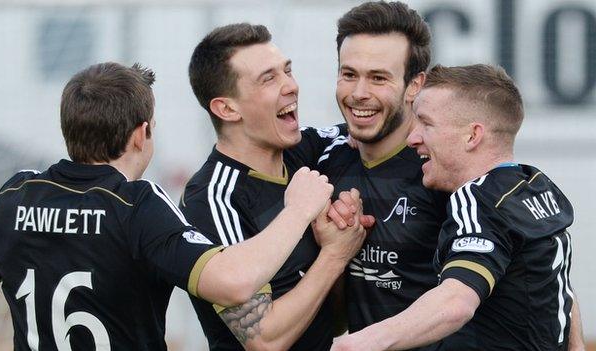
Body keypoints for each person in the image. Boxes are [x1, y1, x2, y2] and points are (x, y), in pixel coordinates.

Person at [0, 62, 337, 350]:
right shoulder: (136, 205)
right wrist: (297, 211)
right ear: (140, 134)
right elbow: (233, 283)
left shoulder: (15, 193)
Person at [332, 64, 586, 350]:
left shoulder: (477, 200)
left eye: (426, 124)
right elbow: (560, 286)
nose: (412, 137)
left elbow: (456, 303)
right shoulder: (534, 184)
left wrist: (354, 345)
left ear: (472, 135)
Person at [182, 23, 371, 351]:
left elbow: (382, 126)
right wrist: (335, 255)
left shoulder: (308, 148)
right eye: (269, 79)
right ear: (227, 108)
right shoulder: (213, 198)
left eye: (288, 71)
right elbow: (263, 339)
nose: (292, 86)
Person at [312, 1, 449, 339]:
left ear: (415, 85)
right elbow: (338, 320)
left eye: (378, 78)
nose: (359, 94)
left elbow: (532, 252)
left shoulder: (446, 169)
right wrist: (335, 250)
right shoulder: (324, 160)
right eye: (349, 74)